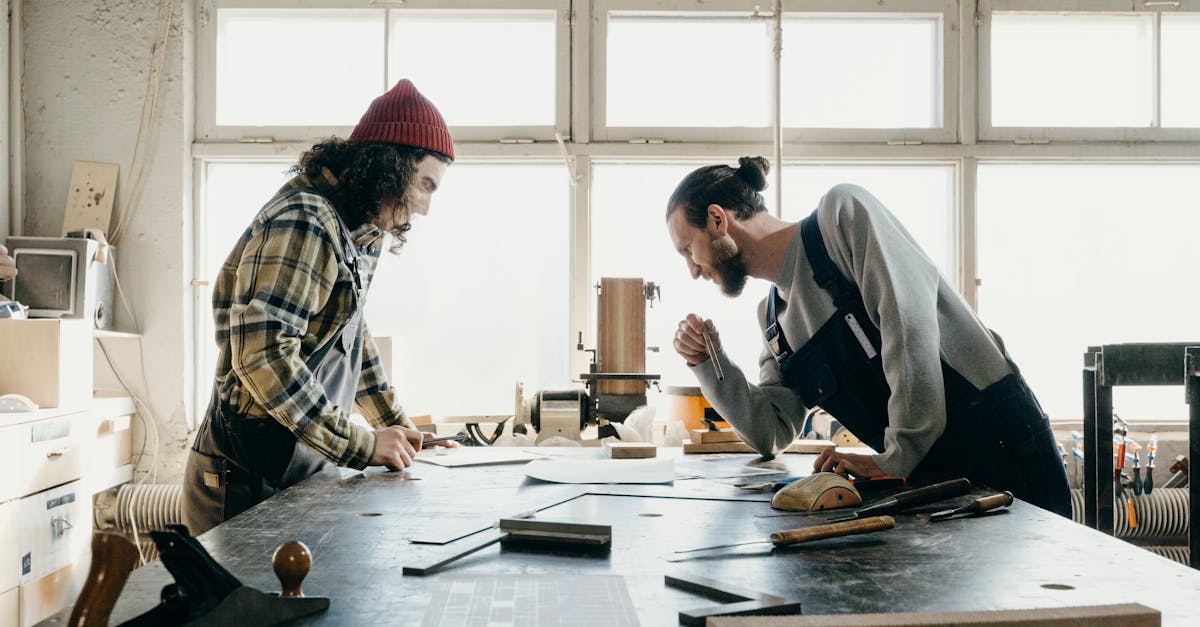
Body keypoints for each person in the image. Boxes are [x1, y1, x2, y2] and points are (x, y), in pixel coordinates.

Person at [666, 156, 1070, 517]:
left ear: (718, 219)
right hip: (929, 478)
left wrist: (897, 456)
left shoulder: (842, 218)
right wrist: (708, 365)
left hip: (1003, 449)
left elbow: (908, 324)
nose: (693, 270)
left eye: (688, 249)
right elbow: (771, 432)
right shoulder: (774, 320)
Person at [183, 80, 456, 534]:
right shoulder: (306, 220)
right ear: (390, 166)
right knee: (242, 607)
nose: (424, 208)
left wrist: (398, 431)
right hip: (246, 476)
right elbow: (264, 355)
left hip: (295, 461)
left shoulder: (357, 229)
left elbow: (351, 335)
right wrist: (363, 445)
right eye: (425, 184)